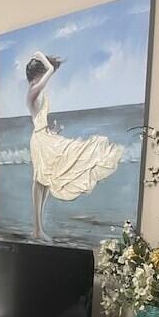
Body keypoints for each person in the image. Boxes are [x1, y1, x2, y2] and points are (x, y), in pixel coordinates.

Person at [26, 50, 123, 242]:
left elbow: (39, 120)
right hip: (39, 140)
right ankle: (37, 228)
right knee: (40, 180)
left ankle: (38, 228)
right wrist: (42, 58)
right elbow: (51, 69)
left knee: (46, 181)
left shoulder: (37, 91)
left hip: (45, 136)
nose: (42, 79)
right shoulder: (33, 90)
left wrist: (51, 130)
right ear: (35, 76)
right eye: (40, 75)